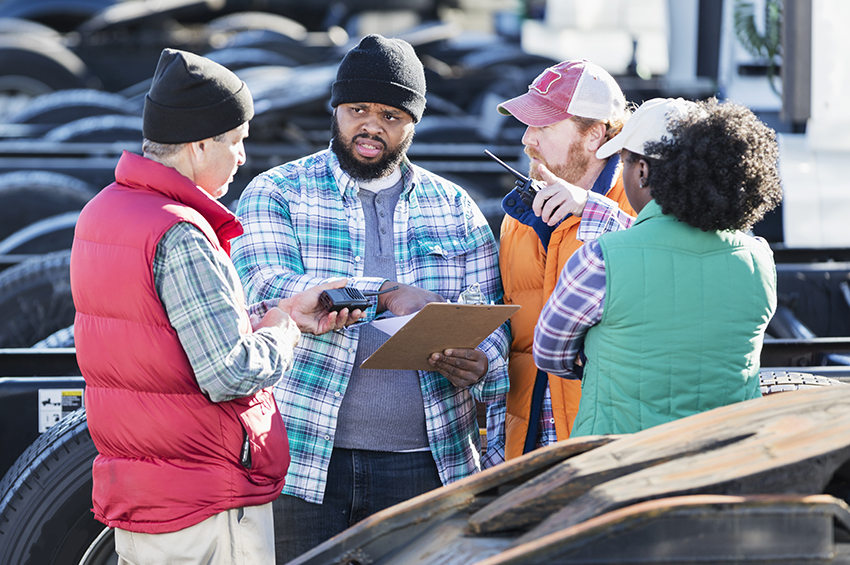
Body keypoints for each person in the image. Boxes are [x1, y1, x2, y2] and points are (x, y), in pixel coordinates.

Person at [70, 48, 360, 564]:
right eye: (236, 140)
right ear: (200, 143)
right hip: (206, 501)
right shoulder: (180, 232)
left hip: (145, 496)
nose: (243, 157)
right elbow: (230, 372)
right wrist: (283, 333)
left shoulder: (103, 211)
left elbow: (160, 340)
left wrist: (280, 316)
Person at [231, 34, 510, 561]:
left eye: (391, 116)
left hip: (427, 464)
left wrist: (479, 362)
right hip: (305, 461)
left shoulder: (455, 208)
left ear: (413, 124)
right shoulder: (277, 191)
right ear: (336, 110)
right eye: (357, 110)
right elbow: (264, 290)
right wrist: (383, 293)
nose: (371, 126)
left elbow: (491, 323)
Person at [533, 97, 782, 436]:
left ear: (642, 171)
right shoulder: (758, 259)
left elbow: (548, 352)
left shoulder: (600, 260)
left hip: (618, 458)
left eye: (624, 162)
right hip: (726, 456)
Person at [492, 59, 636, 462]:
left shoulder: (643, 204)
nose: (527, 139)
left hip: (609, 452)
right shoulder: (517, 218)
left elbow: (676, 270)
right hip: (529, 452)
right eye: (528, 124)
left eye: (544, 126)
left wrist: (592, 209)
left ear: (594, 135)